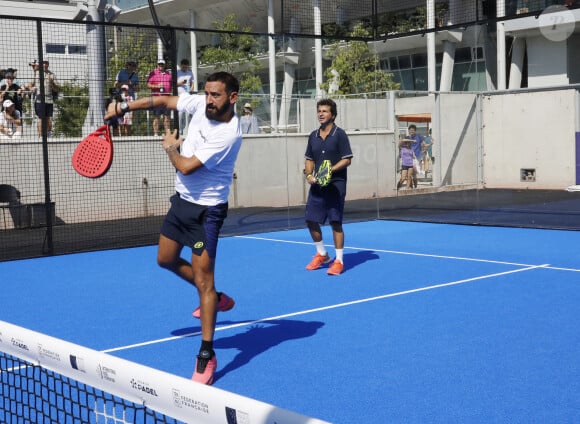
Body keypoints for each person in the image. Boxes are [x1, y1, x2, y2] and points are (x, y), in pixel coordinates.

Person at [104, 71, 242, 386]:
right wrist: (125, 108)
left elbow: (187, 167)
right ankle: (215, 297)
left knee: (204, 281)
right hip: (181, 203)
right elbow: (164, 99)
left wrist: (170, 148)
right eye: (207, 93)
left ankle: (207, 353)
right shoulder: (200, 105)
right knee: (165, 259)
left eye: (216, 95)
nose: (209, 100)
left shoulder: (229, 133)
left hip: (206, 213)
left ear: (232, 97)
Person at [304, 98, 353, 276]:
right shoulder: (313, 136)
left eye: (324, 111)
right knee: (310, 220)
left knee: (335, 222)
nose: (321, 114)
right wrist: (309, 175)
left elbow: (347, 159)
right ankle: (322, 254)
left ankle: (339, 260)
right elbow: (309, 159)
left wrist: (329, 171)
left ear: (332, 114)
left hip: (335, 186)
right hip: (317, 186)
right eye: (319, 111)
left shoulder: (340, 134)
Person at [31, 60, 58, 138]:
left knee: (48, 118)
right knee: (41, 118)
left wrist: (52, 83)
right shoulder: (36, 73)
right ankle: (41, 136)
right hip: (39, 100)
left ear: (48, 64)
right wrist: (31, 88)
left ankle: (49, 135)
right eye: (43, 63)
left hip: (49, 99)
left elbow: (56, 89)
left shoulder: (52, 74)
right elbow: (30, 84)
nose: (45, 64)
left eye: (46, 63)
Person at [146, 59, 172, 135]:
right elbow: (148, 85)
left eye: (162, 64)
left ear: (165, 65)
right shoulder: (153, 73)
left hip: (167, 98)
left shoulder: (169, 74)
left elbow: (172, 85)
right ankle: (156, 134)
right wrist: (157, 86)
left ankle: (167, 133)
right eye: (159, 64)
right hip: (157, 98)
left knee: (167, 117)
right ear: (157, 65)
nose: (161, 66)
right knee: (156, 116)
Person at [177, 59, 194, 133]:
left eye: (186, 67)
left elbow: (192, 83)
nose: (185, 68)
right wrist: (181, 83)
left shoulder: (190, 73)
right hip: (179, 96)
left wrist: (191, 89)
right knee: (180, 114)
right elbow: (174, 84)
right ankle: (180, 130)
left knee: (188, 114)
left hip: (188, 96)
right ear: (181, 66)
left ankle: (188, 130)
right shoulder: (177, 72)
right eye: (183, 67)